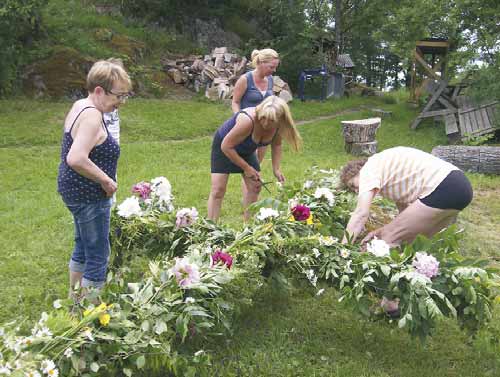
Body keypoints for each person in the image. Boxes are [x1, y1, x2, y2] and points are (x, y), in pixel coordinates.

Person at [57, 59, 132, 294]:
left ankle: (75, 300)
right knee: (98, 255)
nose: (121, 102)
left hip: (73, 192)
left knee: (82, 245)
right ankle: (89, 317)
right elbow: (76, 157)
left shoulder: (81, 104)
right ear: (99, 90)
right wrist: (106, 180)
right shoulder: (91, 116)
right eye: (118, 96)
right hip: (89, 196)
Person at [340, 146, 473, 246]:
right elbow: (406, 216)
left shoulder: (367, 171)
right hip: (460, 187)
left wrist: (343, 248)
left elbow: (360, 214)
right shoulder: (388, 173)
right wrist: (385, 229)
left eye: (353, 185)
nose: (357, 191)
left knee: (386, 241)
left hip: (443, 186)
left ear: (356, 171)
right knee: (417, 241)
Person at [208, 95, 302, 221]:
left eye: (271, 120)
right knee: (218, 190)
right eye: (263, 118)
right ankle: (211, 227)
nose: (266, 123)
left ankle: (249, 228)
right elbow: (226, 146)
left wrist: (276, 169)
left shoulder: (278, 126)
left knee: (255, 186)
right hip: (225, 147)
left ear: (280, 119)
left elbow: (277, 145)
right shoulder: (248, 120)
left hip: (246, 151)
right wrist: (246, 168)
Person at [232, 48, 279, 163]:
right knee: (250, 163)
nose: (274, 70)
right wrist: (240, 119)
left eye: (275, 67)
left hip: (265, 127)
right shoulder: (245, 80)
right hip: (248, 127)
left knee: (257, 164)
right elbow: (235, 102)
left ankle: (254, 179)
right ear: (261, 63)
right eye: (271, 67)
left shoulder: (270, 80)